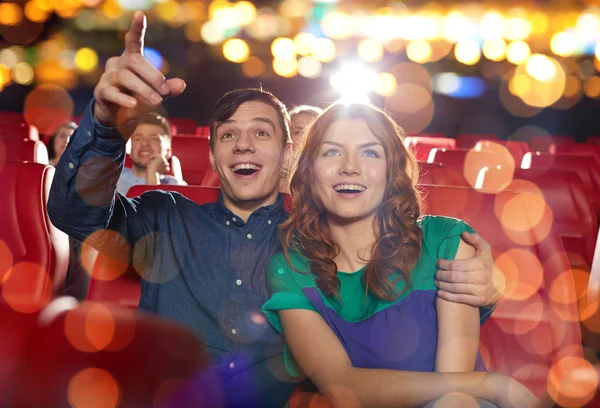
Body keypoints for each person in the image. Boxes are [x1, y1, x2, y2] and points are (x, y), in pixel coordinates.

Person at [48, 12, 501, 408]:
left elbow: (399, 277)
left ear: (288, 155)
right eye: (228, 135)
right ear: (212, 155)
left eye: (261, 133)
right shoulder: (164, 215)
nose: (243, 142)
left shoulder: (322, 237)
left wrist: (484, 281)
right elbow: (74, 216)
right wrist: (106, 122)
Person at [262, 102, 537, 408]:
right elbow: (342, 389)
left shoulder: (445, 241)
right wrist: (493, 383)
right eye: (332, 152)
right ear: (309, 170)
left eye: (370, 152)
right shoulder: (289, 267)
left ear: (392, 169)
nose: (350, 167)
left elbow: (452, 394)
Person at [116, 111, 186, 195]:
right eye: (138, 138)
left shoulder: (177, 187)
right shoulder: (112, 179)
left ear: (168, 151)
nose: (145, 143)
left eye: (154, 139)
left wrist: (153, 174)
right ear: (130, 150)